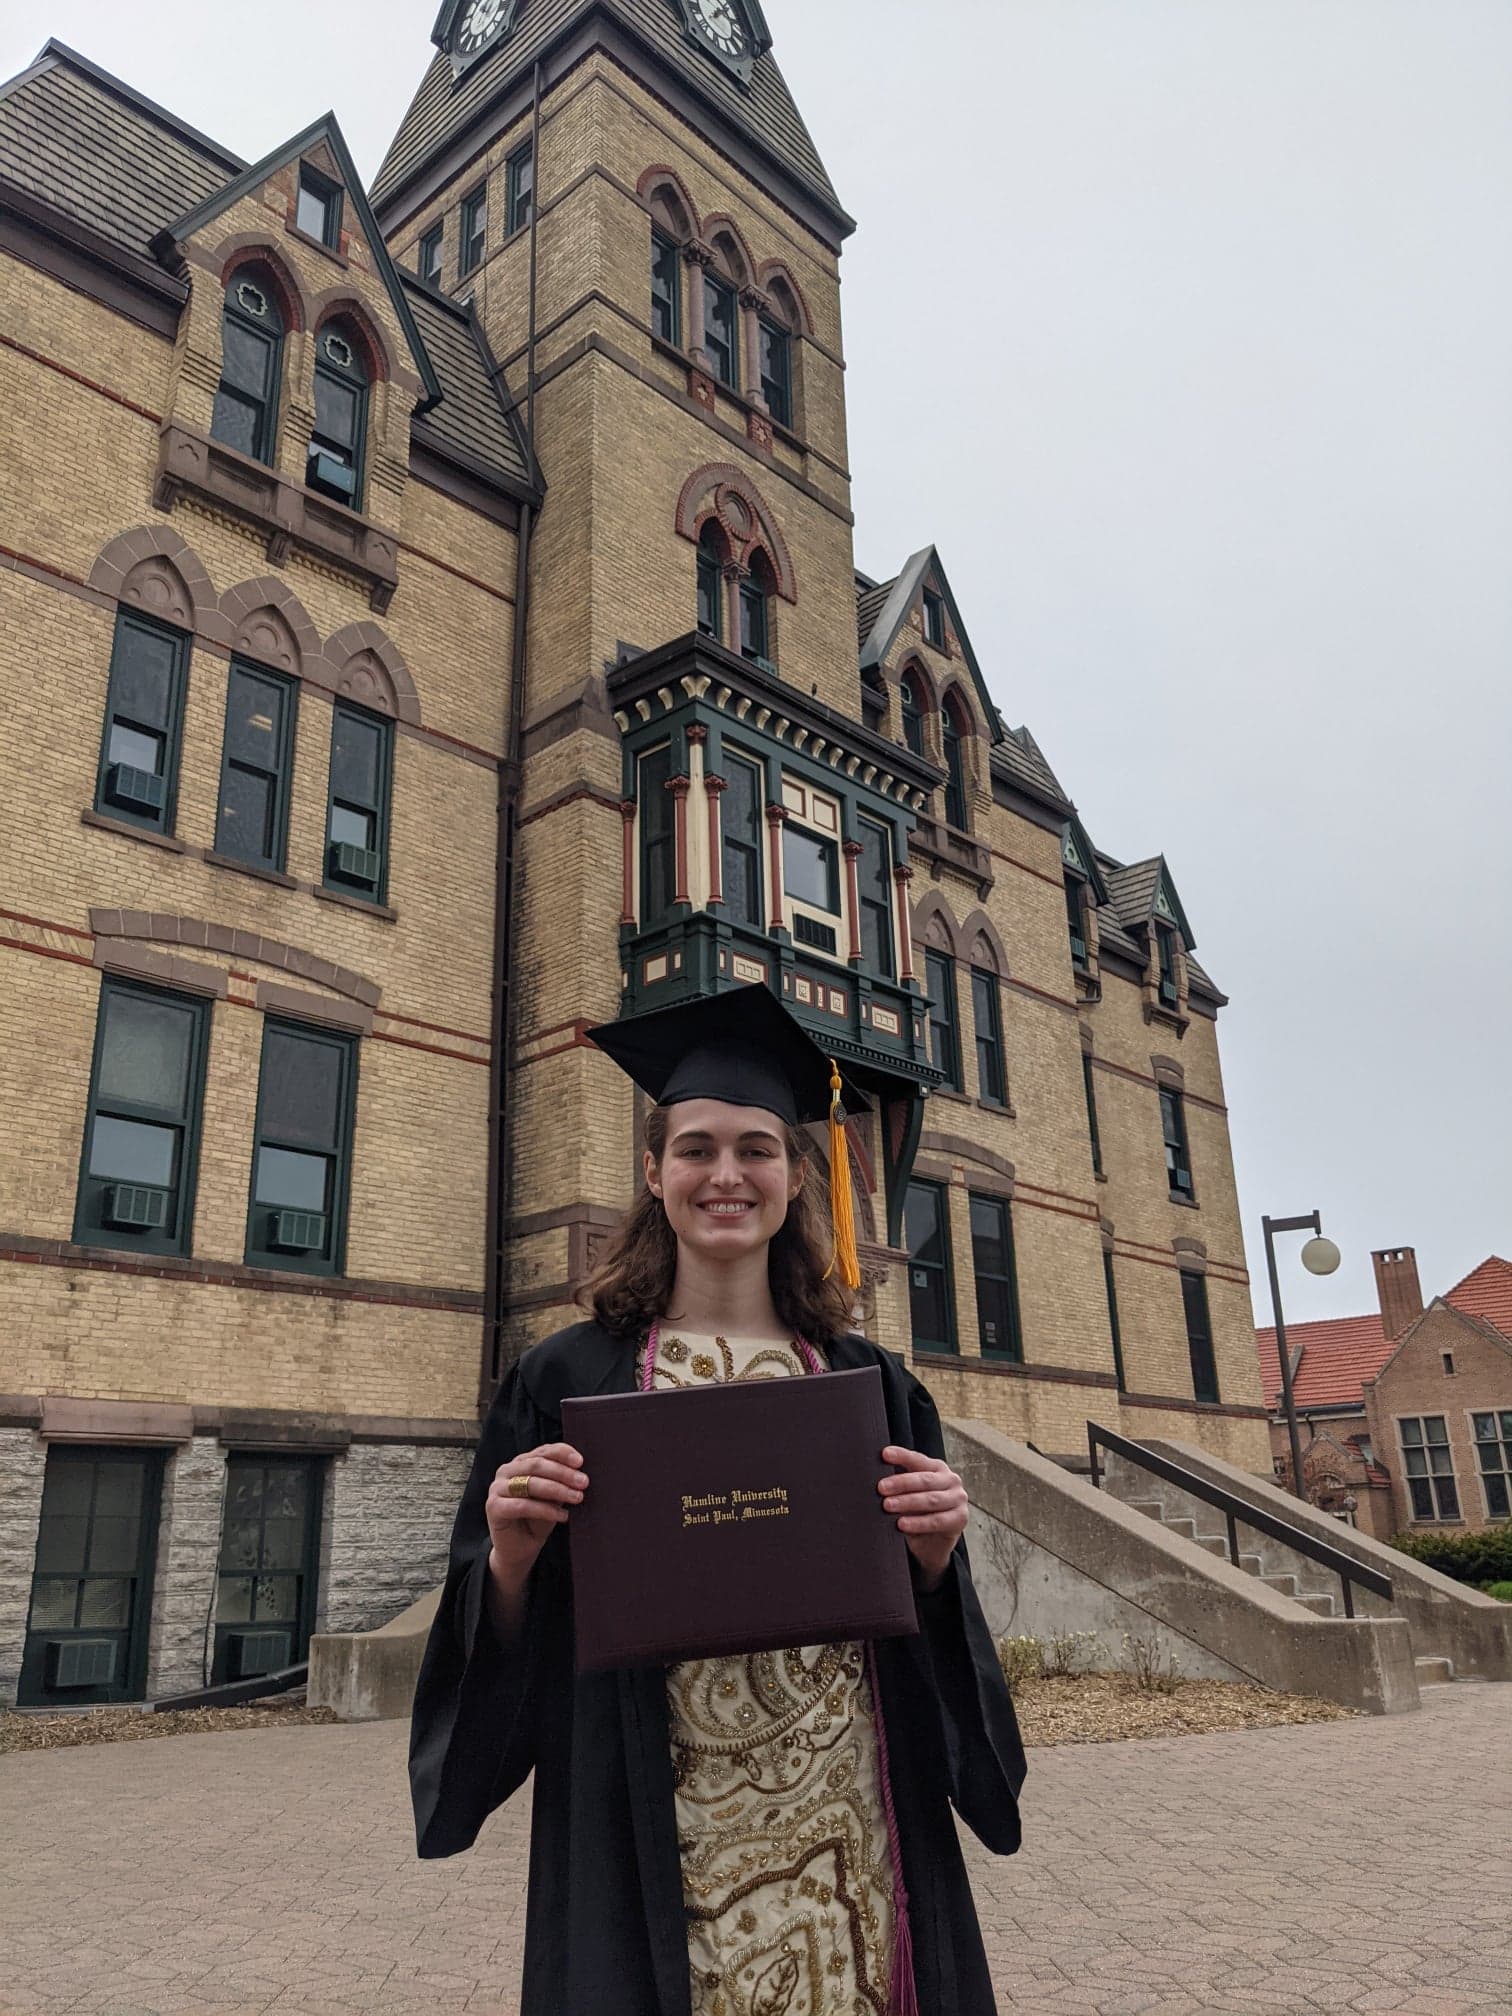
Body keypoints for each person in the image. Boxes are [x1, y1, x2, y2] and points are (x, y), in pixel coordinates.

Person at [410, 984, 1026, 2016]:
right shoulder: (568, 1380)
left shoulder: (871, 1383)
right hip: (648, 1823)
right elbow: (499, 1625)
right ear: (654, 1174)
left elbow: (930, 1620)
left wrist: (932, 1552)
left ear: (797, 1177)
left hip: (851, 1820)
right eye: (696, 1149)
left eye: (756, 1148)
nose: (726, 1174)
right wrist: (511, 1555)